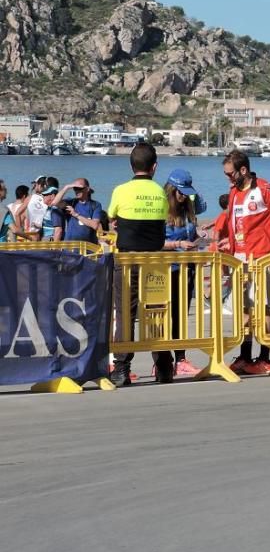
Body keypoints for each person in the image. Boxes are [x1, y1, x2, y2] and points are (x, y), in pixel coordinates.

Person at [216, 150, 270, 375]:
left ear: (243, 170)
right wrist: (227, 245)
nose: (228, 179)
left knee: (262, 306)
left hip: (261, 257)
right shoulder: (233, 192)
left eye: (230, 174)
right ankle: (245, 355)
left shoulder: (265, 189)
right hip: (239, 259)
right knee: (243, 309)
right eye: (225, 174)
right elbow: (234, 224)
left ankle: (265, 357)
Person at [108, 142, 173, 386]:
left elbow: (112, 217)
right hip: (155, 262)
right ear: (154, 166)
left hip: (127, 261)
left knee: (125, 313)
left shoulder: (120, 190)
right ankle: (165, 367)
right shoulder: (160, 193)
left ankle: (122, 368)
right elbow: (161, 221)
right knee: (157, 313)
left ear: (131, 165)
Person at [163, 169, 202, 377]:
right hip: (169, 268)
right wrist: (178, 244)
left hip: (188, 266)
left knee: (181, 315)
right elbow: (155, 242)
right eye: (180, 192)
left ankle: (180, 358)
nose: (184, 196)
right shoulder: (162, 211)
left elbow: (200, 204)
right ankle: (165, 360)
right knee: (167, 315)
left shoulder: (189, 208)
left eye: (187, 192)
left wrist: (198, 236)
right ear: (171, 190)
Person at [51, 178, 103, 243]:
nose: (77, 191)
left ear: (87, 189)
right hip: (70, 247)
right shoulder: (71, 202)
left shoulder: (95, 205)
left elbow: (95, 225)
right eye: (75, 188)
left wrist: (76, 215)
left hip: (88, 247)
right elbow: (54, 203)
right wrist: (66, 187)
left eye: (79, 188)